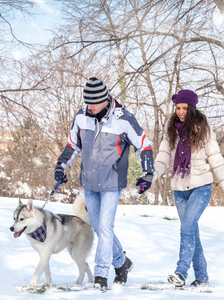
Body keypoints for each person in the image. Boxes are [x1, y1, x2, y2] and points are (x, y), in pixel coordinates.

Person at [54, 77, 154, 288]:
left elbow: (144, 145)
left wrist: (148, 173)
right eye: (87, 102)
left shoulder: (124, 119)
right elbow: (73, 144)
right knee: (99, 228)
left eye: (94, 102)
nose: (90, 106)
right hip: (90, 182)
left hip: (112, 182)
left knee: (106, 228)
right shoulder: (81, 117)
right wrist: (60, 166)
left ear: (105, 100)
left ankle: (101, 275)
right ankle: (122, 263)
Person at [152, 89, 224, 288]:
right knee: (192, 233)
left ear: (192, 108)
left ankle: (181, 272)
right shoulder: (171, 129)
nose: (180, 111)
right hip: (180, 188)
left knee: (187, 228)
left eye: (184, 108)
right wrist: (150, 177)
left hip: (201, 187)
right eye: (178, 108)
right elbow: (163, 158)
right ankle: (202, 277)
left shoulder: (203, 130)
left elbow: (216, 160)